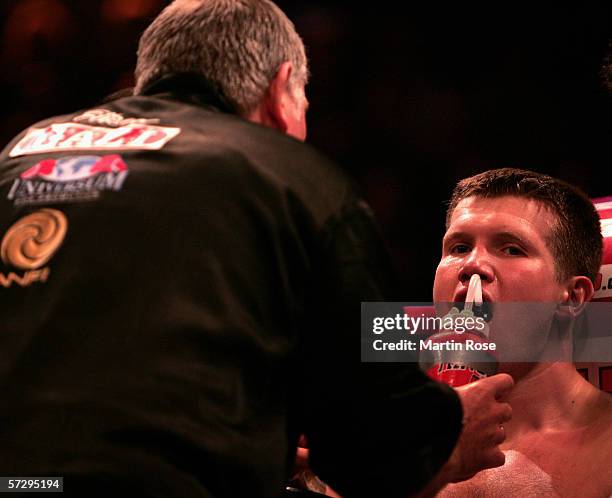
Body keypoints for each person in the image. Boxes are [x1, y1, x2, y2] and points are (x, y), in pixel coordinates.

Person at [0, 1, 511, 497]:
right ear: (278, 88)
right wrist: (450, 437)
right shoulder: (288, 177)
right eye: (303, 105)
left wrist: (252, 446)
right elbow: (376, 457)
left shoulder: (18, 154)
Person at [433, 168, 612, 497]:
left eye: (511, 249)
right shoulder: (389, 436)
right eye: (458, 247)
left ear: (572, 297)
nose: (471, 265)